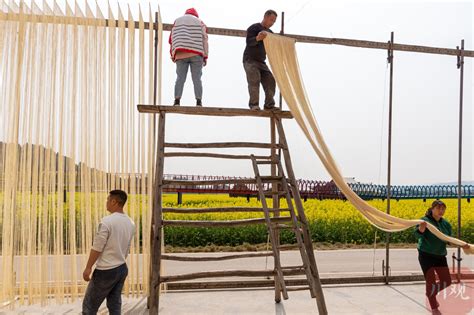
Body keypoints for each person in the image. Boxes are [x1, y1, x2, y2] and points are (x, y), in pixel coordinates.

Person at [82, 190, 136, 315]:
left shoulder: (107, 221)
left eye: (108, 200)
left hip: (105, 271)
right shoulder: (130, 222)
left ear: (114, 202)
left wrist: (88, 268)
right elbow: (126, 248)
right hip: (122, 268)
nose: (106, 202)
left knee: (89, 307)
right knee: (114, 304)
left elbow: (97, 247)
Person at [414, 200, 470, 313]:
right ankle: (434, 307)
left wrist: (463, 245)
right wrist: (421, 229)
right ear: (432, 209)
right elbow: (417, 235)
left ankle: (430, 293)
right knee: (431, 282)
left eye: (443, 209)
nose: (441, 211)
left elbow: (449, 241)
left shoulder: (446, 224)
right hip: (426, 255)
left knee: (447, 281)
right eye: (438, 208)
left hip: (440, 256)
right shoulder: (424, 221)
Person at [169, 8, 208, 107]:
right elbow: (204, 39)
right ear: (196, 15)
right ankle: (199, 102)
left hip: (180, 53)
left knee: (180, 78)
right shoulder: (200, 22)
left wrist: (173, 54)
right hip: (196, 53)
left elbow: (171, 39)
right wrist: (205, 56)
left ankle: (177, 101)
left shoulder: (177, 21)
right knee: (197, 79)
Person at [243, 10, 278, 110]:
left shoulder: (270, 33)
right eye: (271, 20)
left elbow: (275, 45)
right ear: (265, 17)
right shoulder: (254, 28)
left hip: (261, 62)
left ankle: (269, 105)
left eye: (274, 21)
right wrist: (258, 38)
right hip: (250, 60)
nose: (272, 23)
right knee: (254, 80)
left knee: (270, 80)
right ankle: (254, 104)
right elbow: (249, 42)